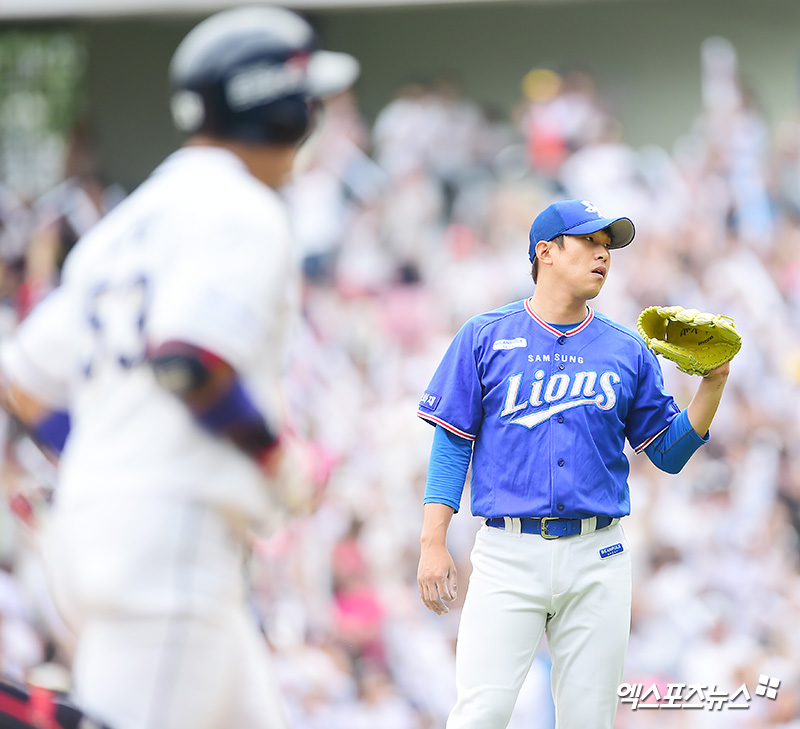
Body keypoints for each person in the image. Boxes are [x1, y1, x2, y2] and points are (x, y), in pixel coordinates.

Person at [0, 6, 358, 729]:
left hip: (106, 531)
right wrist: (274, 457)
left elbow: (22, 378)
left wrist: (104, 459)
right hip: (168, 543)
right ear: (279, 107)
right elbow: (189, 358)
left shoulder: (133, 218)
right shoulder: (242, 209)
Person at [416, 198, 731, 728]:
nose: (603, 255)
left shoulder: (626, 348)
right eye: (589, 242)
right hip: (508, 552)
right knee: (481, 713)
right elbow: (452, 443)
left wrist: (713, 385)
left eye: (608, 246)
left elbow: (668, 454)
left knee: (588, 719)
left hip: (597, 555)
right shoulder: (486, 335)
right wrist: (432, 542)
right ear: (546, 252)